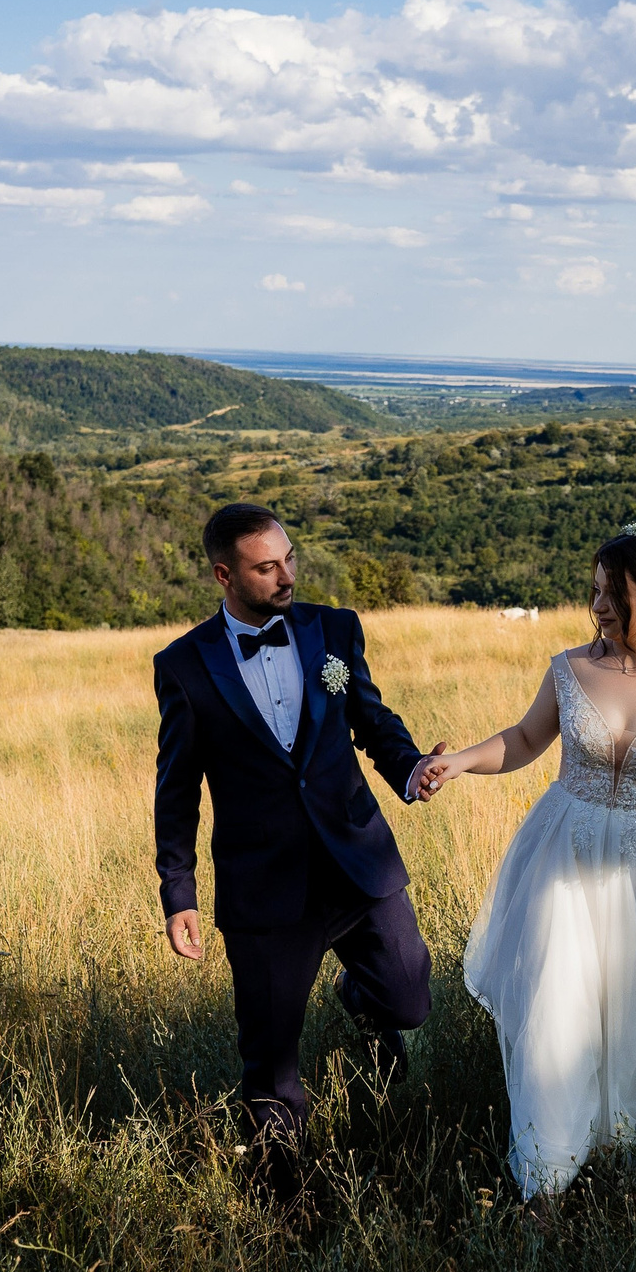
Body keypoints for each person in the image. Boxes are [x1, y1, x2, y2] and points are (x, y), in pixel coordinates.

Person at [409, 524, 636, 1199]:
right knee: (557, 1017)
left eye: (617, 592)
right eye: (595, 591)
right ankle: (546, 1183)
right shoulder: (571, 668)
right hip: (563, 864)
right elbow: (526, 738)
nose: (600, 606)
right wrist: (457, 762)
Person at [152, 503, 447, 1195]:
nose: (287, 575)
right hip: (265, 888)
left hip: (357, 862)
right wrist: (179, 891)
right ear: (225, 574)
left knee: (408, 998)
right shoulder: (184, 667)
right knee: (271, 1065)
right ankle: (285, 1198)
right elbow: (176, 790)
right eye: (266, 566)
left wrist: (409, 769)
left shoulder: (333, 629)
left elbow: (370, 718)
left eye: (290, 558)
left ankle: (357, 993)